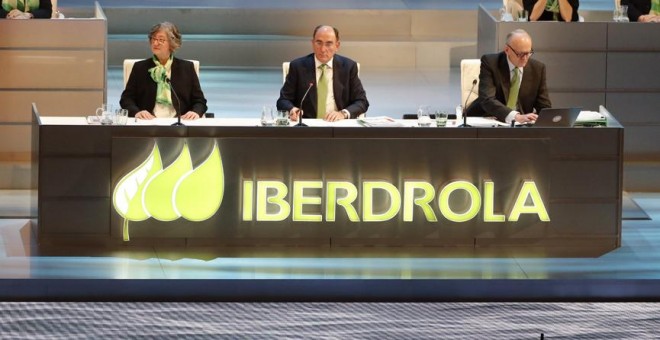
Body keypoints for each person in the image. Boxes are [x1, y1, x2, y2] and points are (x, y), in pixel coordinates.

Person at [277, 25, 368, 122]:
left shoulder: (348, 67)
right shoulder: (298, 66)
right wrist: (292, 109)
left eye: (328, 44)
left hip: (338, 125)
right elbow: (283, 100)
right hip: (307, 126)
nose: (323, 49)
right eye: (319, 43)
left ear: (337, 46)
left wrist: (343, 113)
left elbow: (362, 101)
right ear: (312, 43)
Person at [120, 22, 207, 120]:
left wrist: (195, 112)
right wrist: (136, 112)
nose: (155, 43)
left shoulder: (187, 68)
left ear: (172, 43)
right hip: (148, 123)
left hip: (178, 122)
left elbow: (200, 101)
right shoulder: (140, 68)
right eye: (153, 39)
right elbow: (126, 99)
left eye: (161, 40)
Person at [465, 29, 551, 124]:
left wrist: (546, 119)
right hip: (488, 119)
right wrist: (515, 116)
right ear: (507, 50)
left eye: (528, 53)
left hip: (520, 126)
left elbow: (544, 106)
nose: (525, 58)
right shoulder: (490, 62)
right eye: (521, 54)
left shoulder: (538, 69)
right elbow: (487, 99)